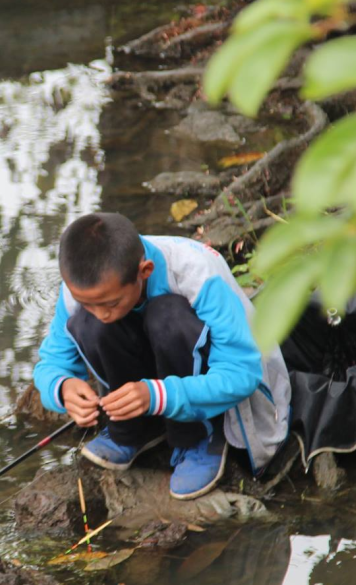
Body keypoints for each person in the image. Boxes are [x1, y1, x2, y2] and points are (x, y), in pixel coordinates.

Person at [33, 212, 290, 499]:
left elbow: (243, 374)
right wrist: (62, 387)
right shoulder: (84, 289)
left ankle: (199, 436)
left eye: (111, 303)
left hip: (217, 394)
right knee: (87, 325)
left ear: (145, 271)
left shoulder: (197, 273)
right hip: (160, 385)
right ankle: (135, 430)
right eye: (86, 302)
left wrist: (156, 395)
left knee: (166, 316)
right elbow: (52, 363)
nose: (101, 313)